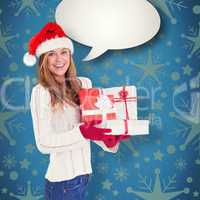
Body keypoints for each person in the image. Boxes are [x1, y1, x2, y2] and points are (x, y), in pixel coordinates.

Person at [25, 22, 130, 200]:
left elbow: (91, 126)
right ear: (44, 59)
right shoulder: (41, 92)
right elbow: (44, 143)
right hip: (61, 183)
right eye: (52, 54)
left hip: (83, 177)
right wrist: (82, 132)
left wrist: (107, 138)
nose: (59, 59)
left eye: (63, 52)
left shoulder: (84, 84)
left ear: (70, 55)